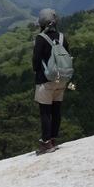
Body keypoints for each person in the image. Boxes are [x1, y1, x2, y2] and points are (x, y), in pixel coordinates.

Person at [32, 8, 70, 154]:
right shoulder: (62, 37)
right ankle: (53, 140)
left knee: (45, 112)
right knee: (56, 110)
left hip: (46, 80)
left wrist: (37, 72)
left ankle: (46, 143)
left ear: (41, 24)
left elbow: (36, 60)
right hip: (62, 79)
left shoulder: (40, 38)